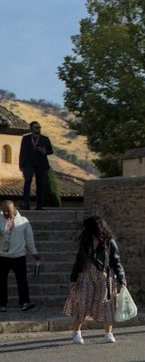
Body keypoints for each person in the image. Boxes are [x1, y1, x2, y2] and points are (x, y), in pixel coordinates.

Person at [64, 215, 126, 344]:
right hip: (86, 275)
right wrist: (73, 278)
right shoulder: (85, 241)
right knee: (82, 302)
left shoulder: (109, 241)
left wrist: (122, 279)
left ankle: (108, 333)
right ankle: (77, 332)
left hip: (104, 276)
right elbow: (79, 259)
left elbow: (116, 260)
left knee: (107, 304)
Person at [1, 200, 40, 312]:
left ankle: (24, 302)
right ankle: (2, 304)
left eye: (7, 211)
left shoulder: (23, 221)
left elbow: (29, 239)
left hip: (18, 256)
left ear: (14, 209)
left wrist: (34, 252)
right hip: (2, 255)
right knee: (1, 281)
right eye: (3, 211)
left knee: (22, 281)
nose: (5, 214)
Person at [18, 121, 53, 211]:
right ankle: (26, 204)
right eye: (36, 128)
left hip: (41, 164)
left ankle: (39, 205)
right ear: (31, 129)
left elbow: (50, 151)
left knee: (40, 184)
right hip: (28, 163)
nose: (38, 129)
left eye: (39, 127)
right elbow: (22, 152)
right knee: (27, 181)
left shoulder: (45, 139)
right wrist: (21, 165)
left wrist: (44, 151)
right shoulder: (26, 138)